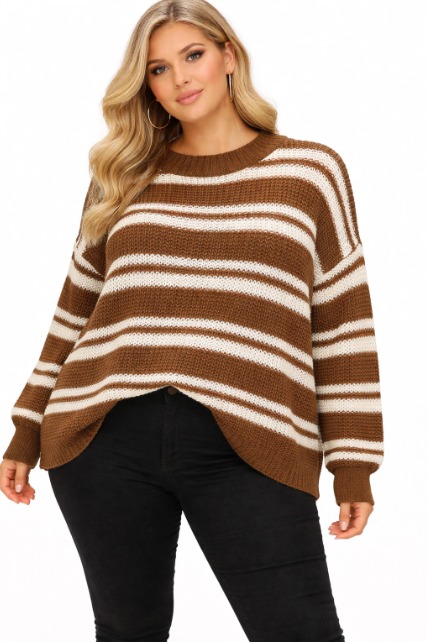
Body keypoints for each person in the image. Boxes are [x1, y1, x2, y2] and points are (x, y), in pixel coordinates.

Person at [1, 1, 385, 640]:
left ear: (229, 55)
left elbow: (343, 323)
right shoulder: (123, 176)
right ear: (145, 84)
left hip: (255, 438)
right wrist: (26, 426)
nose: (179, 78)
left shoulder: (309, 172)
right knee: (128, 631)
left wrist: (354, 462)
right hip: (106, 438)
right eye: (157, 68)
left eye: (193, 55)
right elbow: (75, 309)